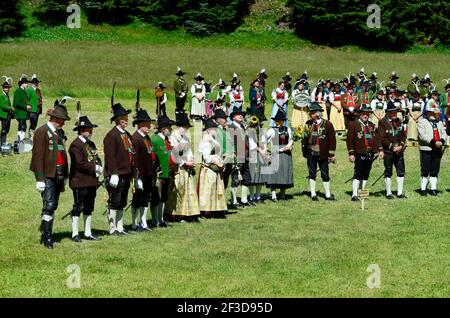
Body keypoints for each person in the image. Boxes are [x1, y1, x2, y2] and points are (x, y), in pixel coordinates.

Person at [30, 101, 71, 249]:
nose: (63, 124)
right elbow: (37, 156)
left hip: (58, 174)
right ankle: (47, 237)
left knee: (53, 205)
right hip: (47, 175)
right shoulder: (42, 132)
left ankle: (46, 229)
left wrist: (65, 174)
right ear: (55, 119)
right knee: (49, 205)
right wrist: (39, 179)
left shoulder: (58, 133)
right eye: (62, 120)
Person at [68, 115, 103, 242]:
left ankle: (87, 232)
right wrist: (95, 168)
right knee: (78, 206)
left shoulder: (91, 144)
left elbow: (95, 158)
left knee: (89, 207)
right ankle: (75, 233)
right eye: (89, 129)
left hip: (91, 181)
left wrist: (99, 165)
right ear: (82, 130)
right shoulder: (75, 145)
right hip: (79, 181)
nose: (91, 132)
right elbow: (80, 163)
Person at [103, 103, 135, 236]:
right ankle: (112, 228)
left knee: (122, 201)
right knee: (114, 201)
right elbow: (110, 156)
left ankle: (120, 227)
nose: (126, 120)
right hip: (116, 174)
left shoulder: (127, 134)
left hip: (126, 173)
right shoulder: (111, 135)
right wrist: (113, 173)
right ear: (117, 119)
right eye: (123, 118)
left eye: (127, 117)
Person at [346, 104, 384, 201]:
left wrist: (380, 150)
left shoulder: (372, 125)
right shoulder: (353, 125)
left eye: (367, 114)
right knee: (358, 173)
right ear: (359, 115)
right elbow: (349, 140)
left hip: (370, 153)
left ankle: (362, 193)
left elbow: (377, 138)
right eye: (363, 114)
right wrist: (351, 153)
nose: (365, 116)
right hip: (359, 152)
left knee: (366, 173)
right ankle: (354, 195)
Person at [302, 102, 336, 201]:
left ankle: (328, 195)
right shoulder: (308, 124)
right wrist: (304, 151)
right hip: (311, 152)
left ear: (317, 114)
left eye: (311, 112)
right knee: (312, 173)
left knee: (325, 174)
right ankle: (313, 194)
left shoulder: (327, 124)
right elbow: (304, 139)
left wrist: (331, 154)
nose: (309, 114)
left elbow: (332, 140)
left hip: (323, 153)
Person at [130, 109, 158, 232]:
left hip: (149, 173)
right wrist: (137, 177)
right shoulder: (135, 138)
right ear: (140, 124)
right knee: (137, 199)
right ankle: (134, 223)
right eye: (147, 124)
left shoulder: (146, 137)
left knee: (146, 198)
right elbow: (134, 159)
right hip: (140, 174)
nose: (150, 126)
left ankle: (143, 222)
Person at [169, 112, 200, 222]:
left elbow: (189, 150)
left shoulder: (186, 136)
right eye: (185, 127)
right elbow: (173, 153)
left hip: (187, 166)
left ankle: (188, 213)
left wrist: (191, 159)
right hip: (179, 167)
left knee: (188, 191)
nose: (187, 129)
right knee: (179, 191)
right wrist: (184, 163)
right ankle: (176, 214)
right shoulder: (173, 136)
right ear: (179, 126)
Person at [198, 118, 228, 218]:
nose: (215, 130)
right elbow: (206, 157)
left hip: (215, 169)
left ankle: (216, 210)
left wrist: (221, 160)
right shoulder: (206, 140)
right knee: (208, 190)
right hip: (209, 169)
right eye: (214, 128)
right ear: (208, 129)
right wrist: (217, 161)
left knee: (215, 190)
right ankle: (207, 211)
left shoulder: (212, 139)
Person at [150, 115, 176, 227]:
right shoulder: (154, 139)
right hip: (159, 174)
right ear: (163, 129)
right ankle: (155, 219)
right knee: (156, 198)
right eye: (169, 128)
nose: (171, 130)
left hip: (168, 173)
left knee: (163, 197)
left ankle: (161, 219)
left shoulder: (167, 141)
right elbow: (152, 157)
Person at [418, 100, 448, 196]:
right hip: (426, 149)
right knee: (425, 169)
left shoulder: (439, 123)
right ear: (428, 112)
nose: (435, 114)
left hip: (437, 149)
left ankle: (433, 189)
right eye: (432, 112)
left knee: (435, 169)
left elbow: (444, 133)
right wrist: (434, 142)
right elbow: (422, 135)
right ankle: (423, 189)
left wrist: (442, 141)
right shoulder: (422, 122)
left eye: (435, 112)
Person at [378, 102, 407, 199]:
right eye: (393, 112)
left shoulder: (399, 121)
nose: (395, 114)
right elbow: (382, 138)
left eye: (395, 112)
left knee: (401, 171)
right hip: (388, 152)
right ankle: (389, 193)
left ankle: (399, 192)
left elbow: (403, 135)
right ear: (388, 113)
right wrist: (392, 147)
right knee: (388, 172)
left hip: (399, 151)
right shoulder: (382, 122)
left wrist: (401, 146)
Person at [265, 109, 294, 201]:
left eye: (280, 121)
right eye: (276, 120)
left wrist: (289, 146)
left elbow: (291, 140)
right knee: (274, 174)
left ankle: (282, 194)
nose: (278, 122)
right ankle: (273, 195)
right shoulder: (271, 130)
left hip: (285, 155)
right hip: (275, 154)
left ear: (283, 121)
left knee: (284, 172)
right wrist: (267, 151)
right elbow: (264, 141)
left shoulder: (287, 129)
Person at [228, 107, 252, 207]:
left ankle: (244, 200)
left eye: (242, 114)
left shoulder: (242, 126)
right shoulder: (231, 128)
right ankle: (234, 201)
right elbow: (230, 143)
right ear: (233, 117)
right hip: (237, 155)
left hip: (245, 155)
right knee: (235, 179)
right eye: (238, 114)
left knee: (246, 178)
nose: (241, 115)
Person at [246, 115, 267, 203]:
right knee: (252, 176)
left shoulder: (261, 132)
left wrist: (265, 150)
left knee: (260, 177)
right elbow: (252, 145)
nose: (254, 126)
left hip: (260, 156)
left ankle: (258, 195)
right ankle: (251, 196)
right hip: (252, 155)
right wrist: (261, 151)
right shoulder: (247, 132)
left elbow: (264, 142)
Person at [13, 74, 31, 142]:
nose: (27, 84)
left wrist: (29, 105)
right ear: (22, 84)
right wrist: (26, 106)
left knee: (21, 127)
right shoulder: (18, 91)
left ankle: (19, 141)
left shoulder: (24, 91)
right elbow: (17, 103)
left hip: (24, 112)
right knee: (23, 127)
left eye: (27, 83)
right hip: (19, 112)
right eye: (26, 83)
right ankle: (21, 142)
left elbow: (25, 101)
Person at [27, 74, 43, 138]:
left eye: (37, 83)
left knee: (35, 123)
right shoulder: (29, 90)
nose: (36, 84)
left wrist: (41, 100)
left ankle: (31, 136)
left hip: (38, 109)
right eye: (35, 83)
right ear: (32, 84)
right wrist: (28, 105)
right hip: (32, 109)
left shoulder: (38, 90)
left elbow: (39, 97)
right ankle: (30, 136)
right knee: (33, 123)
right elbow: (26, 99)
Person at [0, 77, 13, 146]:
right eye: (6, 87)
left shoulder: (6, 96)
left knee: (6, 130)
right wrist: (11, 108)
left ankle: (2, 143)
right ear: (3, 88)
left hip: (7, 115)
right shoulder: (1, 96)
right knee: (4, 130)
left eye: (8, 88)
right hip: (3, 115)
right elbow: (3, 106)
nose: (7, 89)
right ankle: (2, 144)